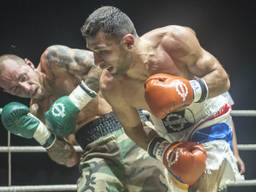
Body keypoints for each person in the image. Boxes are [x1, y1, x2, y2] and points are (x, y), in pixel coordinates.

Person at [78, 6, 245, 192]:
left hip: (207, 118)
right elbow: (133, 128)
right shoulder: (111, 86)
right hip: (168, 134)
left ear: (128, 42)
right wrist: (164, 151)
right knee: (183, 177)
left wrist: (187, 90)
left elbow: (222, 79)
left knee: (200, 179)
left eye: (102, 51)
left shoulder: (174, 41)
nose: (96, 61)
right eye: (92, 51)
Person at [0, 45, 170, 192]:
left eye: (23, 78)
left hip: (130, 130)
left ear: (29, 64)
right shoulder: (37, 111)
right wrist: (41, 134)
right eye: (15, 89)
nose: (25, 88)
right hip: (95, 152)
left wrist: (75, 101)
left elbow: (102, 64)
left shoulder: (53, 59)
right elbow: (69, 159)